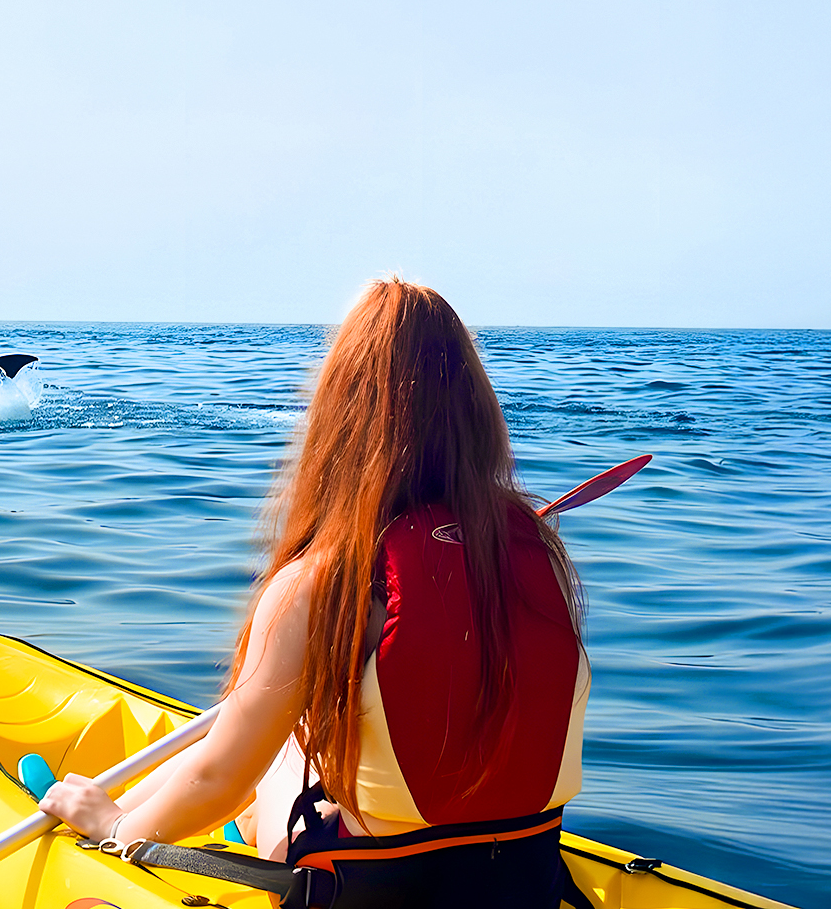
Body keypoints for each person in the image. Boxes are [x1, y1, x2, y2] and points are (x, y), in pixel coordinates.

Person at [39, 279, 589, 907]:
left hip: (372, 893)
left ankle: (111, 803)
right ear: (477, 413)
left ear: (339, 418)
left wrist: (115, 830)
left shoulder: (319, 583)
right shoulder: (537, 554)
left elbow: (221, 777)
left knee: (284, 746)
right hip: (524, 884)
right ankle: (165, 805)